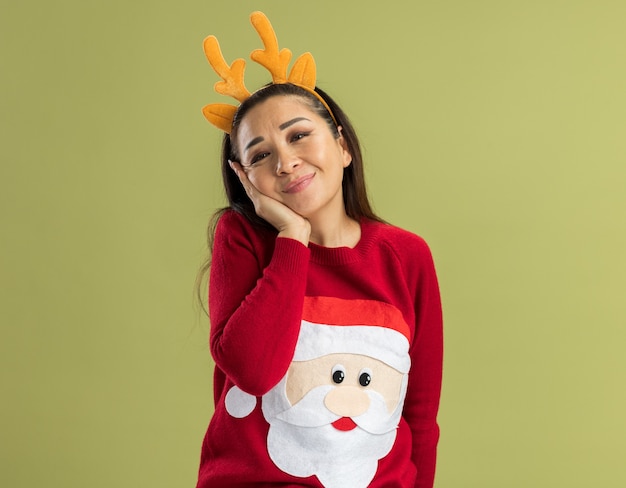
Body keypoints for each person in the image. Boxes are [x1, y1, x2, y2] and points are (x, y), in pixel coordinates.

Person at [196, 12, 443, 488]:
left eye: (298, 135)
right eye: (260, 155)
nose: (286, 162)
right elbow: (252, 370)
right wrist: (292, 237)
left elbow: (420, 415)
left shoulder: (406, 256)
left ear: (343, 146)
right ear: (246, 178)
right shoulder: (242, 238)